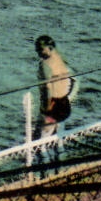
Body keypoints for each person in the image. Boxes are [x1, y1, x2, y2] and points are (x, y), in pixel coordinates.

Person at [34, 36, 74, 167]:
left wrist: (46, 108)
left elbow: (47, 89)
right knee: (59, 135)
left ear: (48, 48)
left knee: (42, 140)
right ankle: (61, 163)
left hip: (53, 105)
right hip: (65, 103)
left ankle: (44, 169)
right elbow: (73, 80)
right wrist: (70, 95)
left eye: (40, 49)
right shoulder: (60, 57)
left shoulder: (45, 65)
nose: (37, 52)